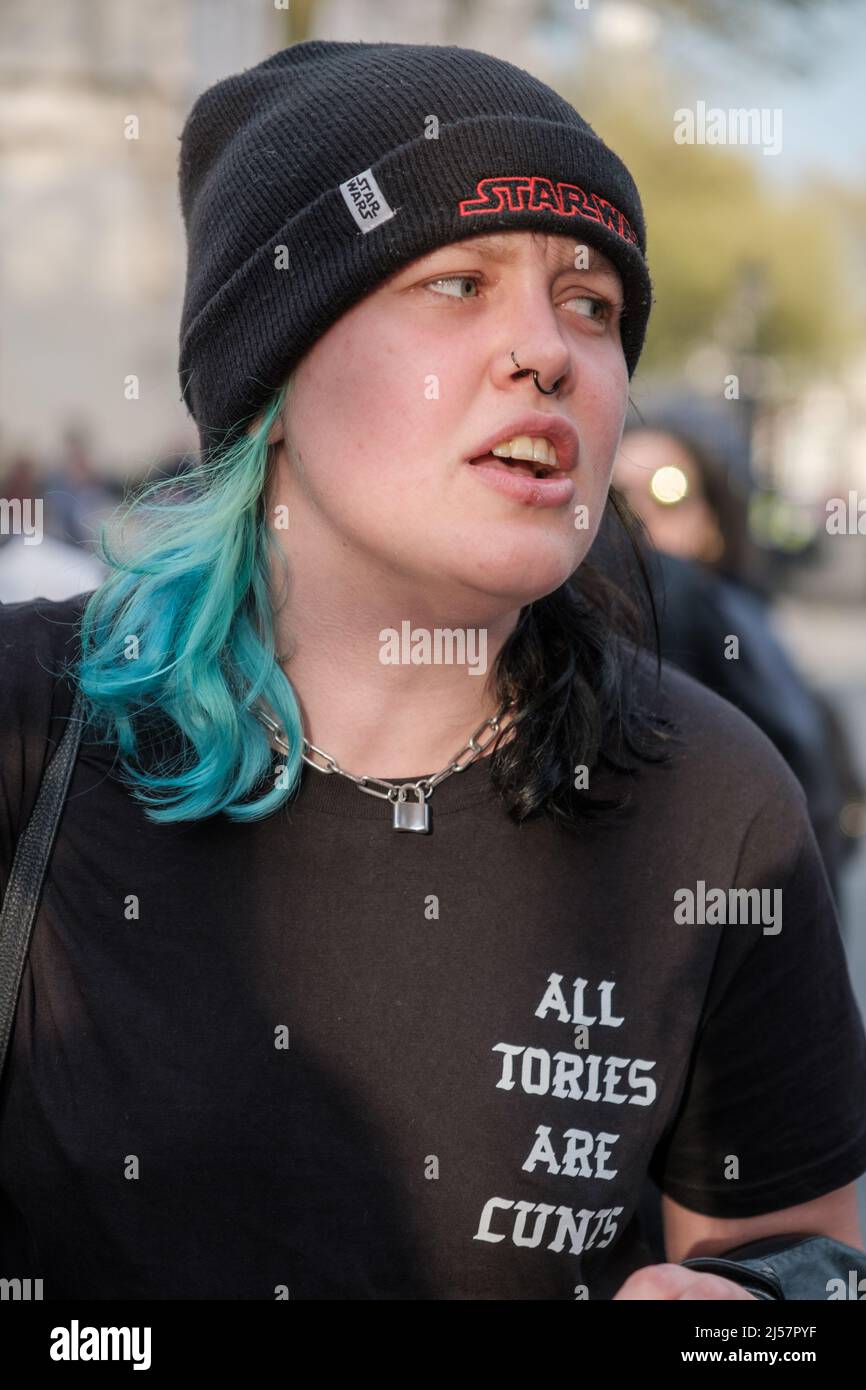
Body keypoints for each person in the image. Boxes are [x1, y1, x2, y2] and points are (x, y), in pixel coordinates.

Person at [1, 39, 865, 1303]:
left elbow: (806, 1262)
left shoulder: (714, 811)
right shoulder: (31, 728)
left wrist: (759, 1309)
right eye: (457, 283)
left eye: (593, 307)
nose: (546, 355)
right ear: (270, 376)